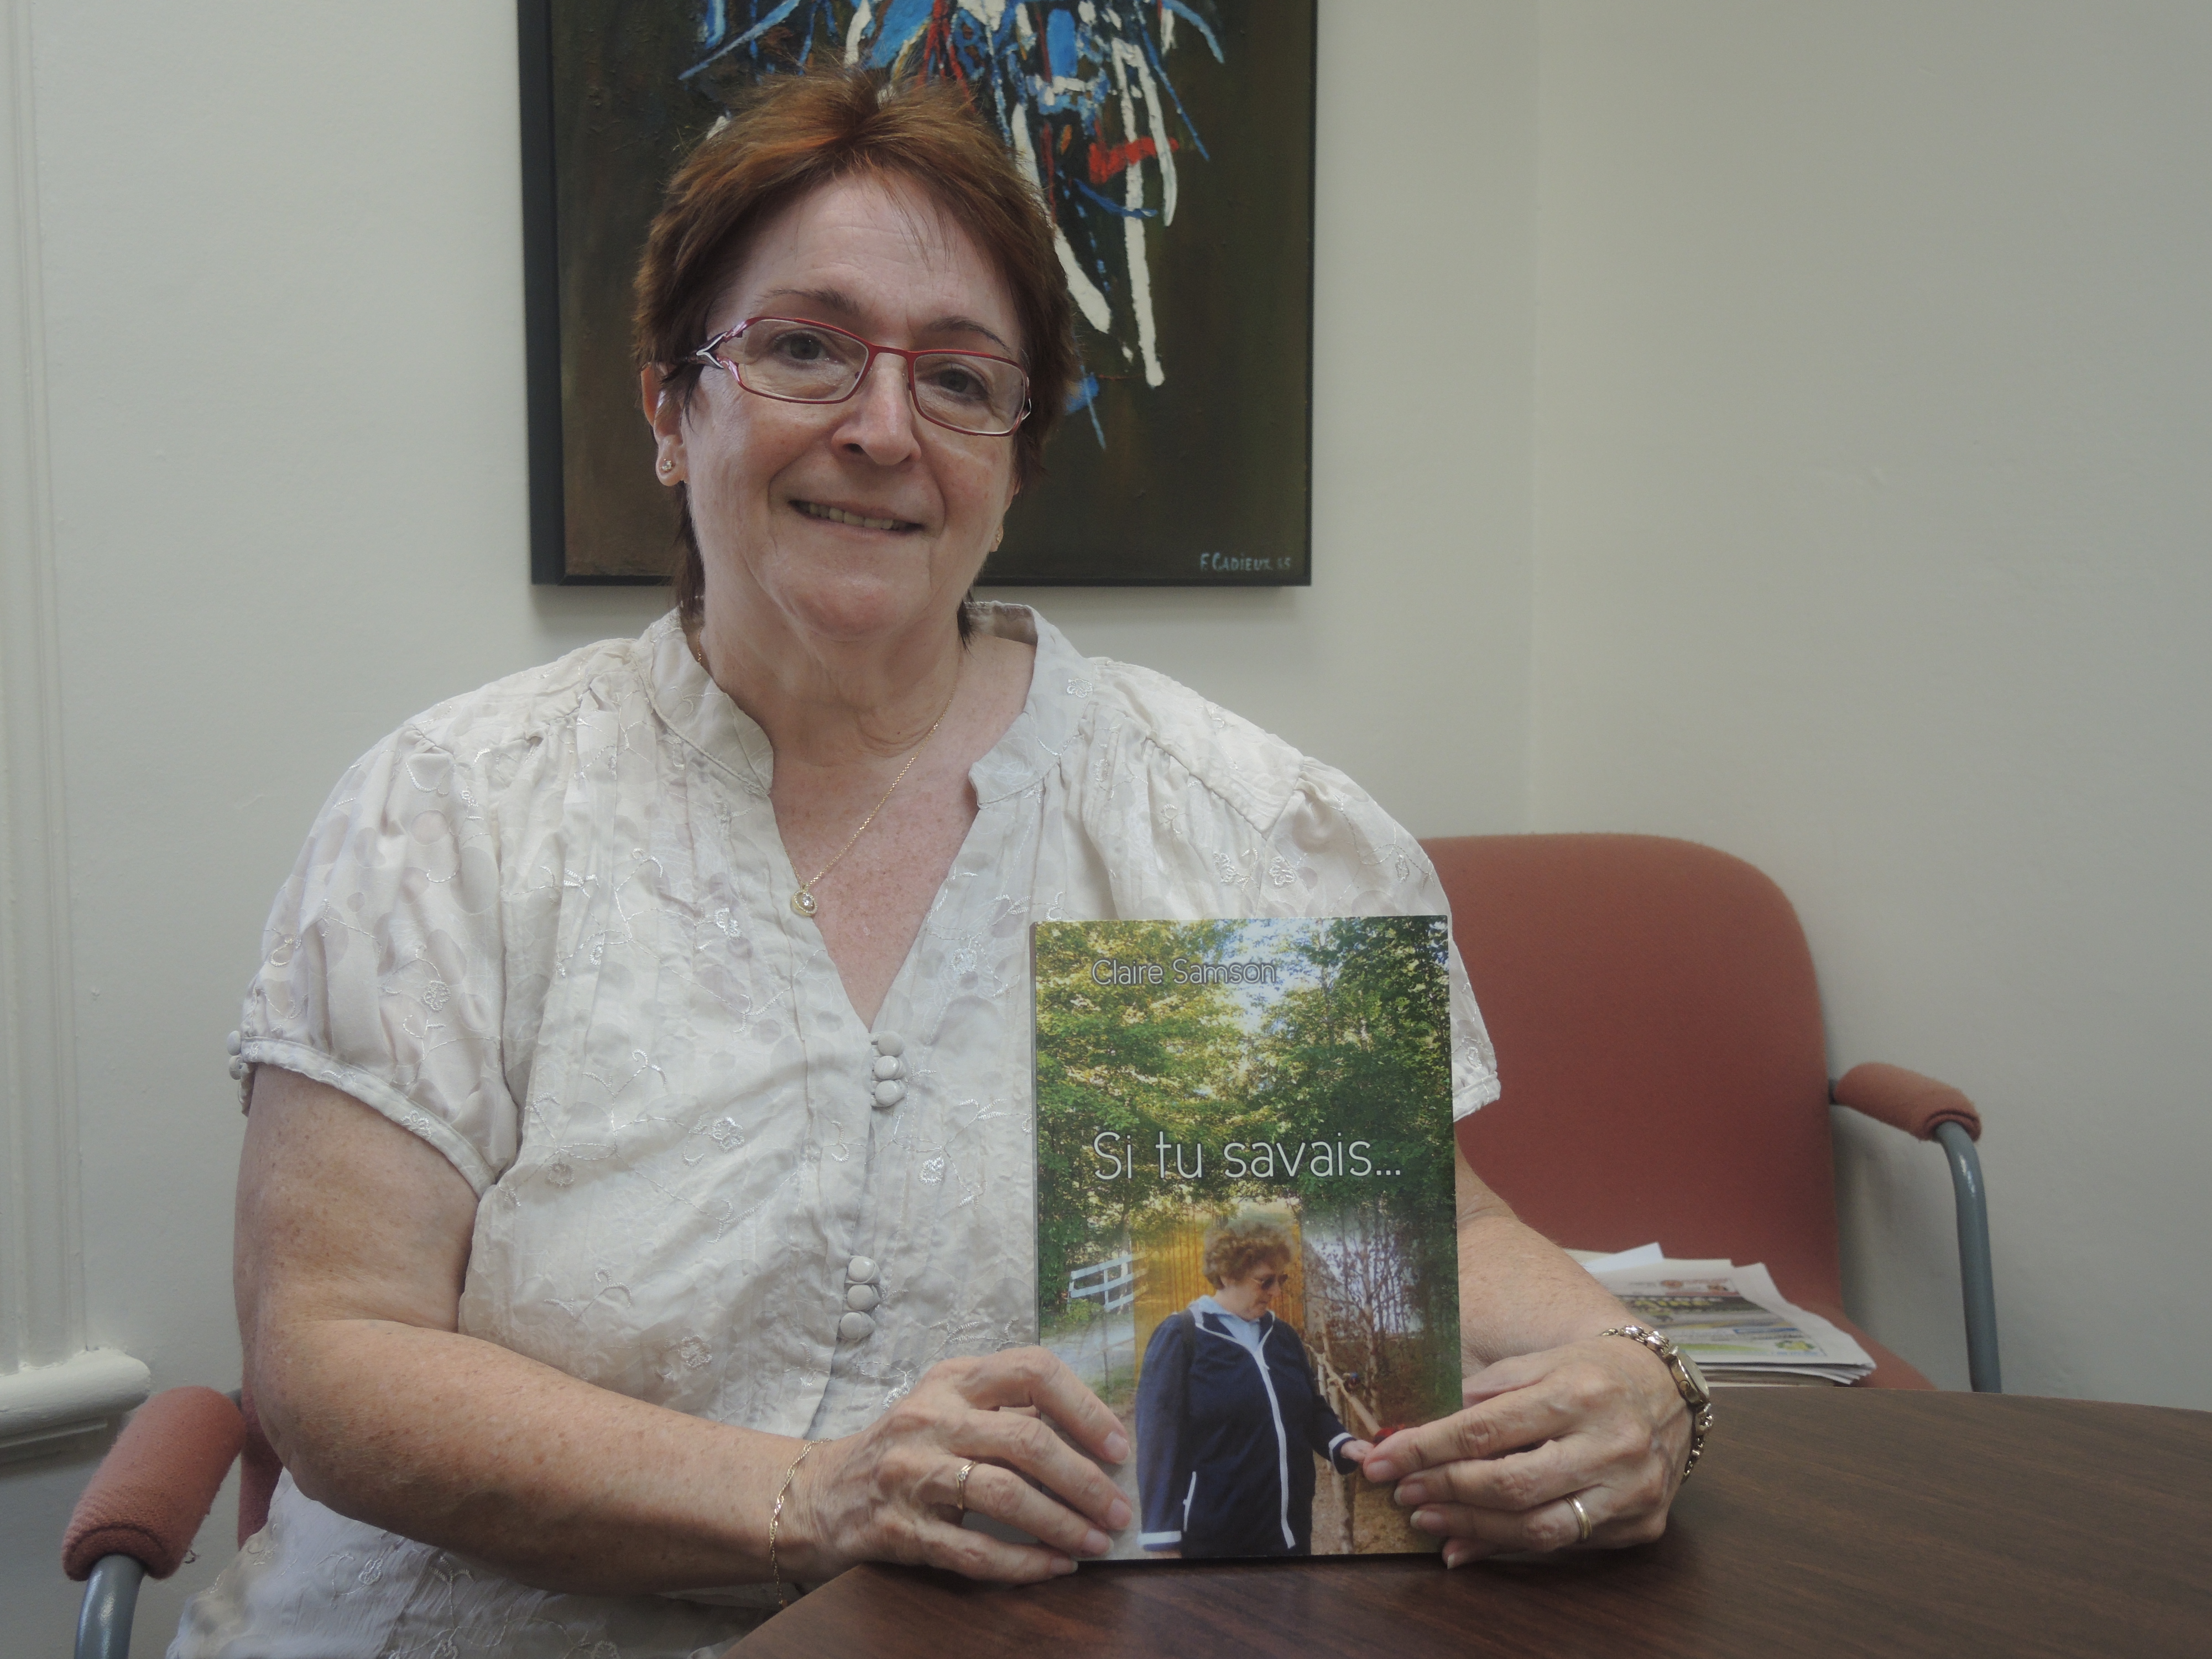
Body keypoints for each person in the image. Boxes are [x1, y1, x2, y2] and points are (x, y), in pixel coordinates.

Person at [177, 67, 1698, 1658]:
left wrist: (1640, 1384)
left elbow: (1427, 1250)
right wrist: (810, 1497)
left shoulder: (1227, 831)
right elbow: (333, 1353)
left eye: (963, 380)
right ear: (669, 406)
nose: (883, 429)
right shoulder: (456, 818)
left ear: (1016, 457)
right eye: (804, 348)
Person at [1134, 1212, 1373, 1558]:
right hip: (1217, 1541)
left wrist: (1345, 1444)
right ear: (1228, 1275)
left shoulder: (1284, 1337)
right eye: (1265, 1281)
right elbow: (1159, 1444)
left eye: (1282, 1279)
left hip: (1290, 1533)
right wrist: (1165, 1543)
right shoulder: (1182, 1338)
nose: (1277, 1292)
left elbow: (1310, 1408)